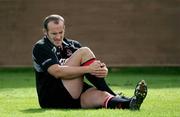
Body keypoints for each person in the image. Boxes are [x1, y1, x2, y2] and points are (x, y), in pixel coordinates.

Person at [32, 14, 147, 110]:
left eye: (61, 32)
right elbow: (57, 72)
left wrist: (101, 70)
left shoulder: (72, 45)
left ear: (64, 29)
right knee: (84, 51)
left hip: (73, 97)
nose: (58, 37)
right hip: (52, 97)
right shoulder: (41, 47)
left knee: (102, 96)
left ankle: (130, 103)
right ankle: (114, 93)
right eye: (54, 34)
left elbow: (90, 64)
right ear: (45, 32)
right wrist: (89, 69)